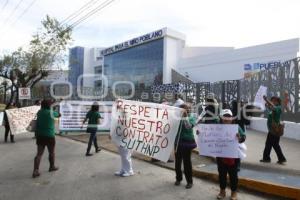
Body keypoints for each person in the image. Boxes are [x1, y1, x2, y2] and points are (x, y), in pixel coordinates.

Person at [216, 109, 246, 200]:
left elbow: (243, 137)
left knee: (233, 175)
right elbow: (208, 135)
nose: (227, 119)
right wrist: (201, 134)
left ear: (231, 118)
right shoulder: (216, 127)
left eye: (228, 117)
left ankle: (234, 192)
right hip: (221, 155)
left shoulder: (236, 127)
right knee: (222, 174)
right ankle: (222, 191)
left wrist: (239, 138)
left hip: (234, 156)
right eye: (225, 117)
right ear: (221, 118)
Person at [32, 99, 61, 178]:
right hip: (49, 136)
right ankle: (52, 167)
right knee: (51, 152)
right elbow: (59, 115)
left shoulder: (39, 112)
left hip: (40, 135)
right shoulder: (52, 113)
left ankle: (35, 170)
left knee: (39, 154)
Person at [174, 103, 197, 189]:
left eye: (186, 109)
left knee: (187, 162)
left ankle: (189, 181)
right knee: (177, 162)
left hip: (187, 142)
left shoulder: (192, 117)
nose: (184, 110)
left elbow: (188, 127)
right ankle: (178, 178)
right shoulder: (176, 117)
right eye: (182, 109)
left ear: (189, 110)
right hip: (178, 142)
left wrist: (185, 117)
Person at [260, 96, 287, 164]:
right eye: (272, 100)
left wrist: (266, 100)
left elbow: (273, 107)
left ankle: (266, 158)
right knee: (275, 145)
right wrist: (267, 104)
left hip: (274, 130)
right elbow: (271, 108)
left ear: (278, 102)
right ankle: (281, 158)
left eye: (274, 101)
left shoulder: (278, 108)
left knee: (268, 144)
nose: (273, 102)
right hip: (273, 130)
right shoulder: (273, 109)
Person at [113, 104, 134, 177]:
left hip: (126, 137)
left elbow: (125, 112)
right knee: (123, 155)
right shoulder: (119, 116)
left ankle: (129, 171)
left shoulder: (127, 115)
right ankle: (123, 169)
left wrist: (121, 108)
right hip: (121, 137)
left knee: (126, 155)